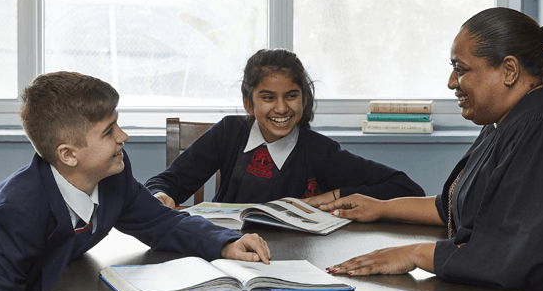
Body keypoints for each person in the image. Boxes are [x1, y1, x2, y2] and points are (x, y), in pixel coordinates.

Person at [0, 72, 271, 291]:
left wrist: (225, 243)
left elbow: (163, 222)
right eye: (109, 131)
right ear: (68, 155)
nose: (124, 136)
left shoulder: (112, 174)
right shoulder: (13, 214)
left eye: (118, 124)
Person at [313, 8, 543, 291]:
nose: (452, 82)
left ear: (508, 70)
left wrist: (415, 253)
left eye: (461, 70)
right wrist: (379, 207)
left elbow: (512, 254)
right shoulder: (507, 119)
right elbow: (457, 203)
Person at [145, 48, 425, 208]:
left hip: (293, 260)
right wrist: (161, 197)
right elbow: (163, 183)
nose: (281, 108)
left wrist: (331, 197)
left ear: (304, 98)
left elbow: (406, 188)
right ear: (248, 102)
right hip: (223, 252)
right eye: (268, 97)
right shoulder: (230, 133)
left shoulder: (319, 150)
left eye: (291, 95)